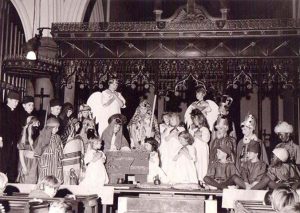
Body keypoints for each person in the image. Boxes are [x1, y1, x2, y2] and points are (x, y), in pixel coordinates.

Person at [0, 91, 22, 182]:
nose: (16, 104)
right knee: (2, 164)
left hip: (13, 143)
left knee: (12, 165)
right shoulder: (2, 110)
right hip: (3, 142)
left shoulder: (16, 112)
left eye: (17, 102)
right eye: (14, 101)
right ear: (8, 99)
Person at [34, 117, 63, 183]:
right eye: (55, 128)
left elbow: (60, 149)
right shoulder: (42, 137)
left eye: (58, 128)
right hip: (46, 165)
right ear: (50, 128)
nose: (57, 130)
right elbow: (37, 153)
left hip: (56, 164)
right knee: (46, 182)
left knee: (55, 182)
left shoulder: (58, 137)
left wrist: (60, 158)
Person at [159, 112, 185, 179]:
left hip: (177, 147)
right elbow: (166, 139)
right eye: (170, 120)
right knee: (169, 162)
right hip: (170, 148)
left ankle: (177, 177)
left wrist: (176, 135)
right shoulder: (168, 129)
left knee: (177, 162)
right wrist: (171, 135)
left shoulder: (181, 129)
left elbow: (183, 139)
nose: (170, 121)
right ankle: (168, 177)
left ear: (177, 120)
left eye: (172, 119)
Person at [17, 116, 40, 184]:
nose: (35, 127)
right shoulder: (23, 138)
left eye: (36, 125)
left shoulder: (36, 137)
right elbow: (21, 154)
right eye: (33, 125)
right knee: (26, 181)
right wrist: (24, 167)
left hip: (34, 163)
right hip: (26, 163)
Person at [62, 118, 84, 185]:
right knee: (67, 180)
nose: (79, 127)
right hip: (67, 164)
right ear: (72, 126)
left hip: (76, 163)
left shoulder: (79, 137)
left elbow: (81, 150)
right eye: (77, 125)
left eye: (79, 125)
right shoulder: (64, 137)